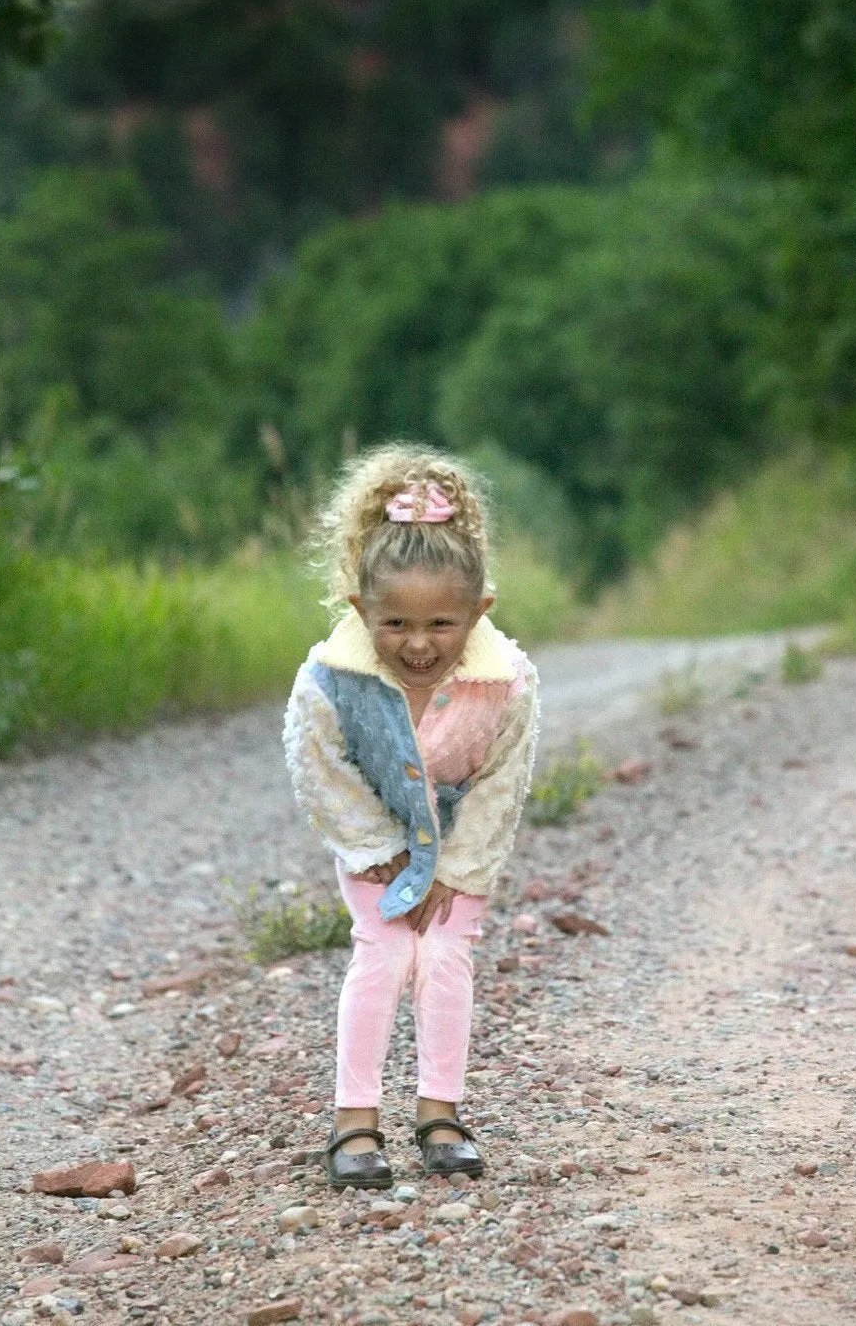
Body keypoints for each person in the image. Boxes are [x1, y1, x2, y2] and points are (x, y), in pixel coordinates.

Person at [283, 445, 539, 1190]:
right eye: (395, 622)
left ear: (477, 611)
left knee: (446, 955)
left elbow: (501, 785)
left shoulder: (507, 684)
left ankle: (440, 1110)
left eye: (441, 622)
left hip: (458, 842)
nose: (419, 643)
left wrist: (456, 870)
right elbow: (319, 766)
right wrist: (374, 849)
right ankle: (354, 1118)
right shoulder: (332, 678)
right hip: (374, 842)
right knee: (385, 949)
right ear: (362, 610)